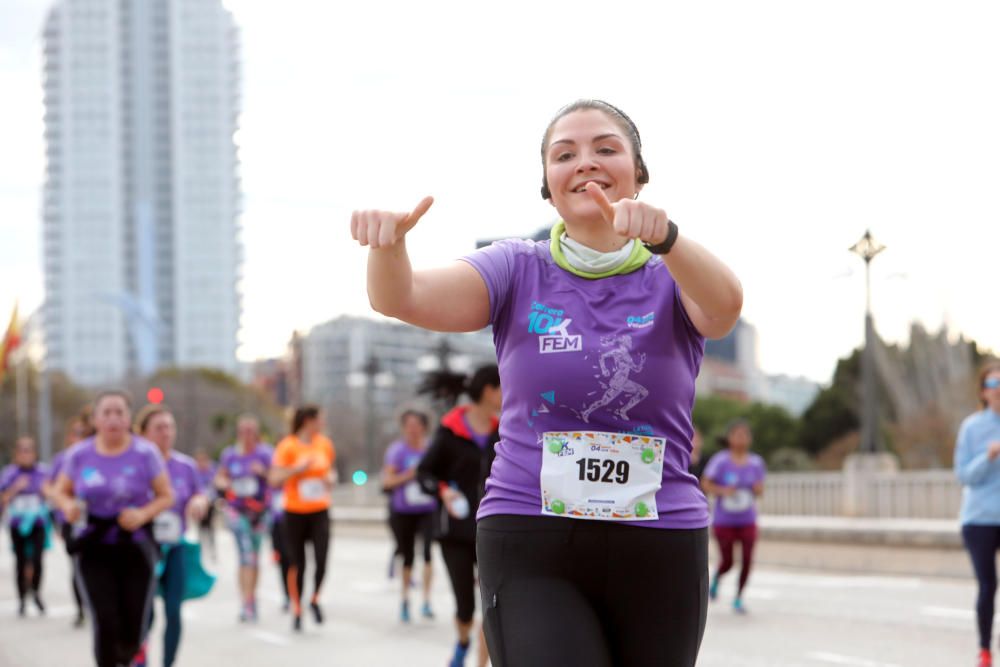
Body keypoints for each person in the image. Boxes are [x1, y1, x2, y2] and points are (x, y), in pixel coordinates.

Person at [352, 99, 742, 666]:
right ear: (547, 184)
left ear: (638, 171)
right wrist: (389, 248)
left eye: (605, 149)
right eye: (565, 155)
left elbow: (725, 308)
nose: (585, 162)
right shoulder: (515, 269)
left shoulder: (673, 274)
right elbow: (399, 296)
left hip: (660, 539)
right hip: (532, 537)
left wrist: (670, 239)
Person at [50, 391, 174, 667]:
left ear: (129, 418)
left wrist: (143, 513)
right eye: (106, 413)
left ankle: (127, 656)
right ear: (95, 420)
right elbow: (59, 491)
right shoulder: (79, 454)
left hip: (135, 544)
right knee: (105, 620)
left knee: (134, 625)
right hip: (93, 547)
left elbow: (167, 495)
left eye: (119, 412)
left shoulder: (145, 452)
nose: (113, 419)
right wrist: (68, 505)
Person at [416, 367, 501, 667]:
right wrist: (442, 491)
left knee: (492, 606)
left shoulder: (502, 430)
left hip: (490, 530)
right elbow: (423, 473)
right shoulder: (450, 430)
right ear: (491, 390)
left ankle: (481, 663)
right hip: (453, 533)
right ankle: (463, 640)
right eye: (503, 387)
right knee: (465, 607)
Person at [134, 404, 209, 667]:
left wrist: (199, 502)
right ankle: (139, 659)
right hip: (144, 547)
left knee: (174, 609)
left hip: (176, 545)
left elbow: (199, 493)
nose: (166, 433)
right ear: (143, 433)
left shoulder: (185, 466)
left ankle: (168, 663)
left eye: (170, 427)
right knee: (145, 612)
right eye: (159, 428)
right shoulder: (137, 465)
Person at [270, 405, 336, 632]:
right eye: (320, 419)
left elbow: (330, 471)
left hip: (320, 509)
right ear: (308, 420)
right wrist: (297, 469)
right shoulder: (288, 446)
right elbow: (275, 477)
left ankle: (315, 598)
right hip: (295, 511)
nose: (323, 423)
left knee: (322, 559)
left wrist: (330, 479)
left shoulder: (324, 444)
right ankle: (297, 609)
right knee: (297, 563)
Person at [955, 361, 1000, 667]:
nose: (999, 391)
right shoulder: (972, 427)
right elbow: (963, 475)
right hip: (980, 518)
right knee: (989, 585)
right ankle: (984, 650)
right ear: (984, 392)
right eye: (994, 385)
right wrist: (989, 456)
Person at [701, 419, 767, 614]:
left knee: (747, 560)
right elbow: (706, 484)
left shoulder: (756, 463)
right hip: (724, 521)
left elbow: (760, 490)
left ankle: (738, 597)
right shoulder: (720, 461)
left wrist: (757, 489)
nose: (741, 438)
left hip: (748, 520)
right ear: (729, 438)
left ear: (750, 439)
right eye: (737, 435)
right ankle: (717, 578)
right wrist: (722, 490)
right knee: (728, 561)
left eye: (745, 435)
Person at [215, 414, 274, 622]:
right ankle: (245, 601)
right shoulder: (230, 455)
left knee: (254, 558)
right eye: (243, 431)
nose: (247, 435)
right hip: (237, 510)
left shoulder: (265, 454)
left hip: (259, 511)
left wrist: (263, 472)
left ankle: (251, 597)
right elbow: (220, 477)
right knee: (246, 555)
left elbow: (276, 478)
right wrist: (224, 483)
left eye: (251, 431)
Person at [382, 409, 436, 623]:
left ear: (423, 426)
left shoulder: (431, 449)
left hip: (428, 508)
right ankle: (405, 599)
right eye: (408, 425)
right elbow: (387, 481)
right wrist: (409, 475)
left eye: (416, 424)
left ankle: (426, 600)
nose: (412, 429)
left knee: (429, 554)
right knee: (408, 556)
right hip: (403, 511)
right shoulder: (397, 451)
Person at [44, 413, 94, 627]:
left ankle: (97, 605)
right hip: (73, 520)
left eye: (84, 432)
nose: (80, 437)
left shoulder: (100, 454)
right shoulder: (64, 459)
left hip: (99, 520)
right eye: (76, 433)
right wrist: (65, 500)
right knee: (78, 565)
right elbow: (49, 486)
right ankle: (82, 608)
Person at [0, 436, 51, 617]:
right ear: (16, 453)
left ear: (34, 453)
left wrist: (46, 492)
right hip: (17, 522)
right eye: (22, 450)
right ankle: (21, 599)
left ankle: (36, 592)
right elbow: (3, 497)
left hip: (37, 521)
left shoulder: (43, 472)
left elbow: (52, 494)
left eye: (28, 450)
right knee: (21, 561)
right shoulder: (9, 473)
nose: (25, 454)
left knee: (37, 559)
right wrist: (15, 488)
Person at [193, 448, 218, 562]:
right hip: (199, 504)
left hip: (211, 502)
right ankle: (200, 549)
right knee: (199, 528)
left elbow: (215, 486)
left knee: (210, 527)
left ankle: (212, 549)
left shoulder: (211, 471)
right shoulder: (195, 472)